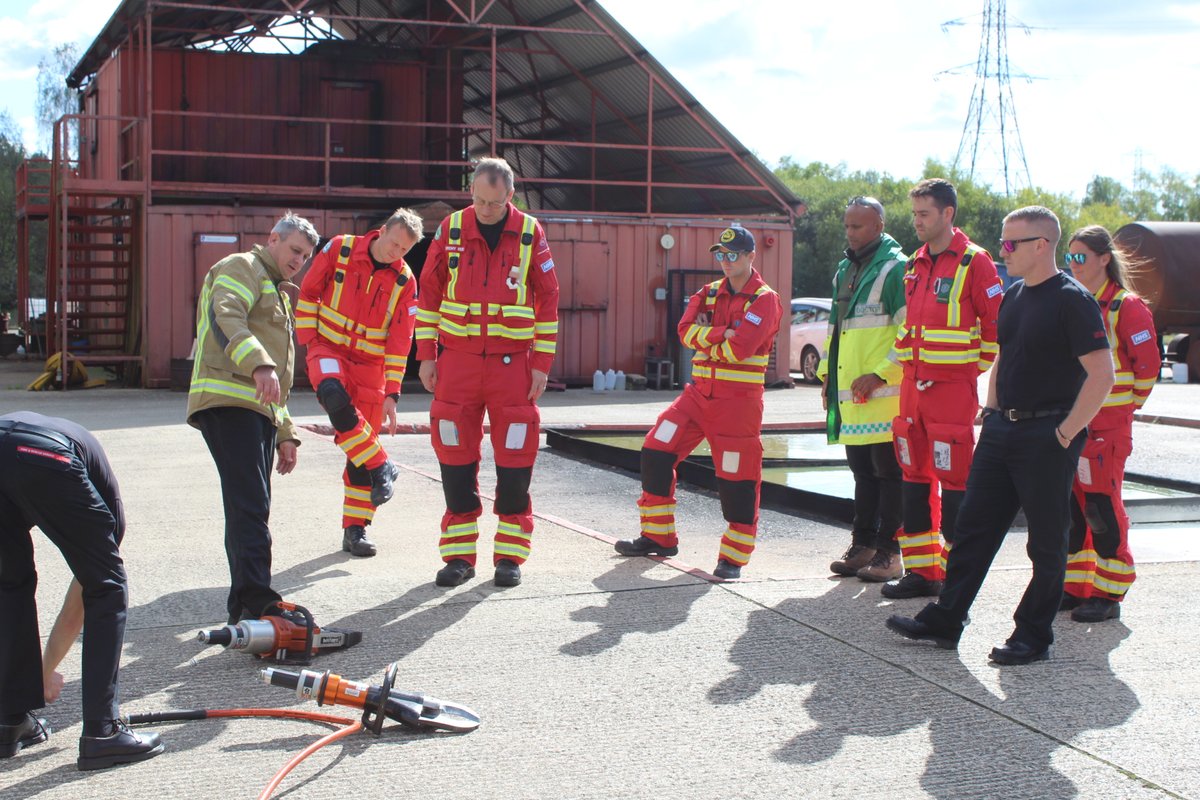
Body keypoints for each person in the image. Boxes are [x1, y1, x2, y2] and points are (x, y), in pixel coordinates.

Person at [887, 206, 1115, 665]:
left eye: (1011, 243)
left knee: (1046, 543)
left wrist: (1067, 432)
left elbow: (1102, 375)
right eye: (1002, 241)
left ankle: (1033, 635)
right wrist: (989, 412)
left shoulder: (1072, 299)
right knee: (972, 530)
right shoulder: (1012, 297)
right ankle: (947, 619)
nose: (1002, 250)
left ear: (1041, 246)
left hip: (1047, 435)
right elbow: (1002, 358)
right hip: (1001, 430)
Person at [417, 158, 560, 588]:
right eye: (477, 199)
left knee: (516, 460)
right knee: (455, 457)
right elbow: (430, 291)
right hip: (457, 363)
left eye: (493, 203)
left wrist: (541, 365)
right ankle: (459, 556)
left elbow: (548, 299)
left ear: (509, 197)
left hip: (512, 366)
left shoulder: (532, 233)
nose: (484, 208)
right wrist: (427, 355)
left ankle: (510, 556)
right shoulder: (451, 229)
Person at [614, 224, 783, 580]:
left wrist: (707, 339)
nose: (725, 261)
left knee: (737, 479)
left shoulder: (765, 300)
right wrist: (721, 334)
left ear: (751, 256)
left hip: (737, 406)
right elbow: (683, 332)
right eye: (720, 255)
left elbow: (741, 351)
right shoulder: (707, 293)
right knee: (656, 450)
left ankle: (733, 557)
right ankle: (658, 535)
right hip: (696, 396)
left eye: (732, 254)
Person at [0, 412, 163, 770]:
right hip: (45, 452)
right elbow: (88, 597)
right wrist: (44, 673)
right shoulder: (111, 507)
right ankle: (103, 733)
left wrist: (40, 674)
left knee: (10, 584)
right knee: (108, 585)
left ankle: (9, 721)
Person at [188, 212, 318, 624]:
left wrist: (285, 433)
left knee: (247, 507)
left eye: (306, 256)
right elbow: (226, 316)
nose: (299, 260)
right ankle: (259, 602)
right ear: (273, 239)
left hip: (253, 410)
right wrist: (259, 363)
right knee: (251, 506)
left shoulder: (277, 289)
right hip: (229, 403)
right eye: (295, 250)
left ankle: (244, 608)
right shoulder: (241, 267)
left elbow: (275, 381)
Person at [883, 178, 1003, 599]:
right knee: (913, 478)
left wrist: (966, 372)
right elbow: (908, 330)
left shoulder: (975, 263)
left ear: (947, 214)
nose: (916, 221)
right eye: (914, 213)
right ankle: (922, 573)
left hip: (951, 392)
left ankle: (956, 578)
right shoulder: (914, 262)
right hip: (912, 390)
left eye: (924, 214)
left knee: (955, 482)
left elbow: (995, 330)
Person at [296, 209, 422, 557]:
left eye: (403, 250)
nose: (395, 253)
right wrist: (309, 339)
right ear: (381, 232)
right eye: (393, 243)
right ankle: (383, 463)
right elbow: (309, 292)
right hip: (328, 347)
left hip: (371, 368)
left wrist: (393, 393)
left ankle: (356, 530)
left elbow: (401, 341)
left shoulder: (405, 282)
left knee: (358, 460)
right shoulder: (340, 249)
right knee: (332, 395)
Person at [1061, 226, 1160, 622]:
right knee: (1074, 510)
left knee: (1102, 508)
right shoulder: (1074, 302)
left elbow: (1147, 369)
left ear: (1104, 259)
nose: (1074, 265)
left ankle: (1109, 591)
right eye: (1069, 257)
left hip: (1108, 430)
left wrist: (1122, 410)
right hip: (1076, 425)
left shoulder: (1125, 306)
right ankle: (1076, 586)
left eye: (1081, 257)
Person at [818, 197, 907, 583]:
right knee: (863, 474)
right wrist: (826, 376)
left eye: (857, 227)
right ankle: (863, 545)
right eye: (847, 226)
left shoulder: (896, 268)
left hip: (885, 397)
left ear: (879, 226)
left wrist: (882, 374)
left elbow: (909, 332)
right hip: (854, 398)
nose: (850, 233)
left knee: (889, 475)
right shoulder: (845, 269)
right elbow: (834, 331)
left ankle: (890, 552)